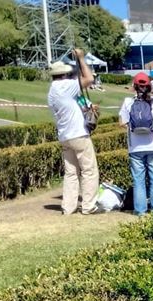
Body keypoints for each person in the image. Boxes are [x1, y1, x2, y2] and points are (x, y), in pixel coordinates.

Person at [47, 49, 101, 216]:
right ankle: (88, 206)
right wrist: (81, 58)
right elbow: (89, 79)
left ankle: (68, 207)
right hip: (78, 133)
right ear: (64, 74)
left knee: (71, 173)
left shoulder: (51, 92)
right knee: (89, 170)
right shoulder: (66, 86)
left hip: (64, 135)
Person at [119, 72, 153, 215]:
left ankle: (140, 211)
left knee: (139, 181)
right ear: (149, 87)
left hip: (135, 147)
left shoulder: (128, 102)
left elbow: (121, 123)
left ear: (134, 86)